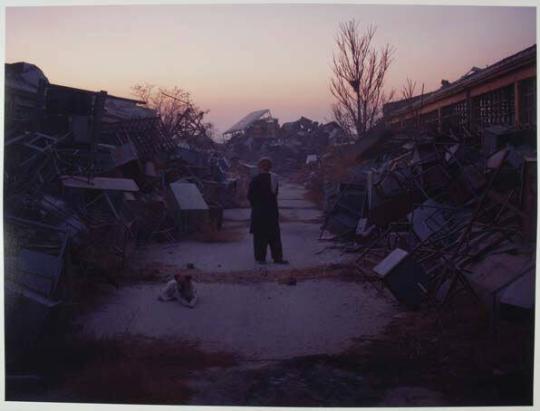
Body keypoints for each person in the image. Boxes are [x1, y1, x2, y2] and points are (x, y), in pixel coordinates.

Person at [247, 157, 288, 265]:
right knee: (274, 235)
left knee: (259, 235)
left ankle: (260, 258)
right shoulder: (274, 179)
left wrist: (255, 205)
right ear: (270, 167)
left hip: (259, 211)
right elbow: (275, 194)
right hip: (271, 210)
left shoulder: (255, 180)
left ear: (259, 167)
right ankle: (277, 257)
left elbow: (250, 196)